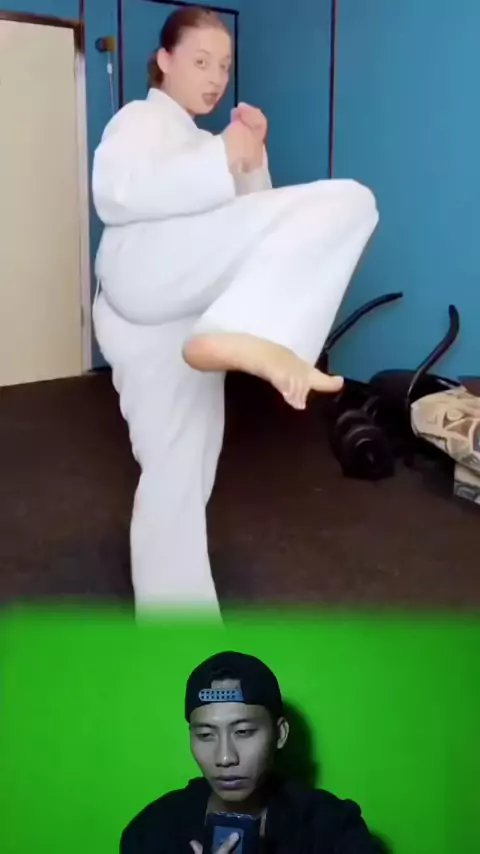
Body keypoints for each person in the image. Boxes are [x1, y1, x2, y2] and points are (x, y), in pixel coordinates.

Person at [92, 6, 379, 614]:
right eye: (201, 61)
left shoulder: (204, 141)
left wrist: (251, 156)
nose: (215, 77)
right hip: (144, 281)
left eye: (224, 66)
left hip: (185, 314)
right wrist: (223, 153)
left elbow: (258, 226)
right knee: (347, 201)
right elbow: (115, 195)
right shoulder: (138, 119)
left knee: (180, 471)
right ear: (164, 60)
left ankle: (179, 625)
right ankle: (246, 333)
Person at [120, 651, 382, 853]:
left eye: (243, 732)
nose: (225, 758)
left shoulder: (332, 826)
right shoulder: (153, 831)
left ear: (280, 734)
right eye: (206, 735)